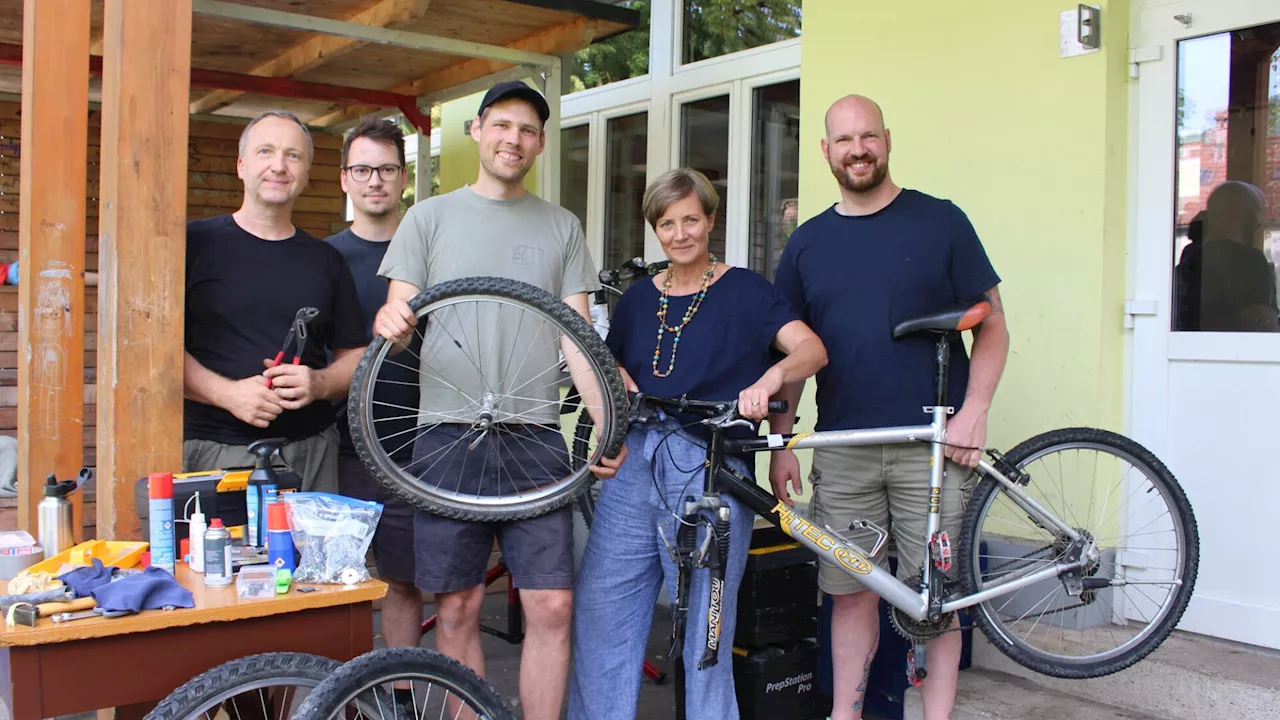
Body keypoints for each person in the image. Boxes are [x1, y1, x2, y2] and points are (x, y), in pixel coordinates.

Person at [372, 81, 614, 720]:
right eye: (502, 125)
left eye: (529, 130)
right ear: (477, 130)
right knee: (455, 606)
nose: (515, 139)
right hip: (447, 433)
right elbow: (397, 318)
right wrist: (392, 322)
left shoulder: (561, 226)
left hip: (534, 434)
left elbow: (578, 339)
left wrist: (604, 424)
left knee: (552, 606)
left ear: (539, 142)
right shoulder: (427, 217)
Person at [769, 95, 1010, 720]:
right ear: (825, 151)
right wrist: (782, 439)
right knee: (850, 594)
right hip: (842, 450)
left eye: (868, 136)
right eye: (844, 140)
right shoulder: (806, 245)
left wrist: (975, 410)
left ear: (888, 140)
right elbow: (796, 351)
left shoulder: (941, 222)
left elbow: (994, 326)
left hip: (931, 449)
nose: (858, 150)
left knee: (936, 599)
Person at [567, 168, 828, 720]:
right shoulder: (638, 300)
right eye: (667, 223)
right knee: (601, 613)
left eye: (691, 219)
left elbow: (810, 351)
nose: (680, 233)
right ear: (654, 230)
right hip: (637, 458)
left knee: (706, 635)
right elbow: (612, 371)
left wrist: (768, 381)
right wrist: (607, 419)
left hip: (709, 465)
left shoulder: (749, 291)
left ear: (711, 220)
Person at [183, 110, 366, 492]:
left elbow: (355, 356)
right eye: (265, 152)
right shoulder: (192, 244)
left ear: (307, 172)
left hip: (310, 457)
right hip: (214, 453)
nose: (279, 166)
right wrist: (227, 394)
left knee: (311, 556)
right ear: (241, 165)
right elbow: (152, 350)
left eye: (293, 155)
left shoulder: (326, 259)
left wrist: (318, 382)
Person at [323, 115, 424, 678]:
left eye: (387, 169)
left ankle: (400, 693)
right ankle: (338, 693)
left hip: (417, 440)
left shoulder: (428, 251)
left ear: (403, 177)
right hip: (337, 440)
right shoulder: (323, 257)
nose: (375, 181)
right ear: (344, 179)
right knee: (335, 579)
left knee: (403, 578)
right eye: (362, 169)